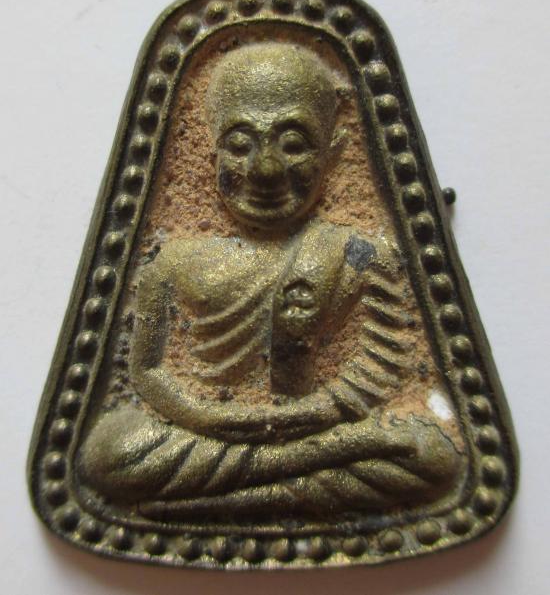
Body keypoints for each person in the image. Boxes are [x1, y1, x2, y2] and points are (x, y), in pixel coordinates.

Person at [80, 42, 460, 519]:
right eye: (240, 145)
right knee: (110, 451)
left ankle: (214, 504)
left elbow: (382, 367)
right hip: (213, 434)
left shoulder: (360, 254)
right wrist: (206, 416)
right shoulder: (173, 261)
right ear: (209, 151)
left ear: (335, 151)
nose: (265, 170)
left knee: (427, 452)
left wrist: (309, 409)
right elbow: (148, 372)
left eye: (294, 143)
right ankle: (279, 490)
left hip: (314, 431)